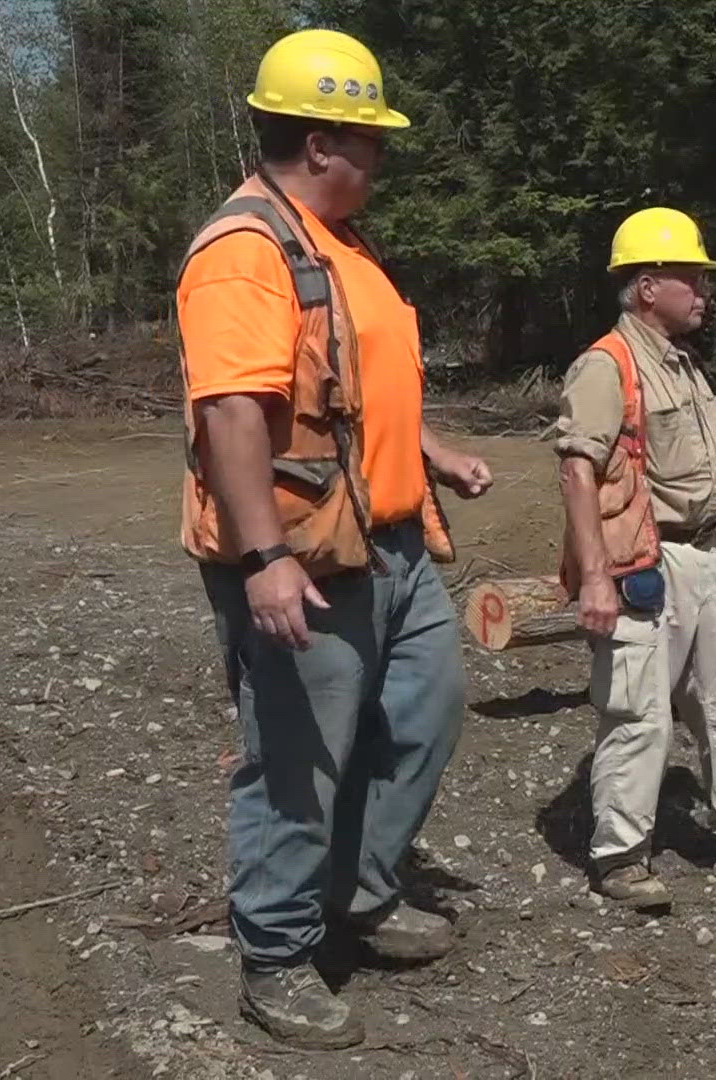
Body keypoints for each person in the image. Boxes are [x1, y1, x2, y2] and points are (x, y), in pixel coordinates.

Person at [175, 29, 492, 1049]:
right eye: (371, 140)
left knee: (421, 718)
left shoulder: (338, 245)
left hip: (391, 542)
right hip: (303, 556)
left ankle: (359, 895)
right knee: (299, 761)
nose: (381, 159)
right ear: (320, 143)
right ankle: (275, 954)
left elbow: (355, 387)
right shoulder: (244, 252)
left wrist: (432, 450)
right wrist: (264, 560)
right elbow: (231, 412)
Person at [554, 207, 716, 911]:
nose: (703, 291)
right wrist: (597, 576)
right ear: (647, 286)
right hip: (644, 558)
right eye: (690, 277)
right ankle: (620, 855)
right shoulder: (607, 367)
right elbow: (578, 472)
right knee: (639, 710)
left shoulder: (687, 367)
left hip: (705, 557)